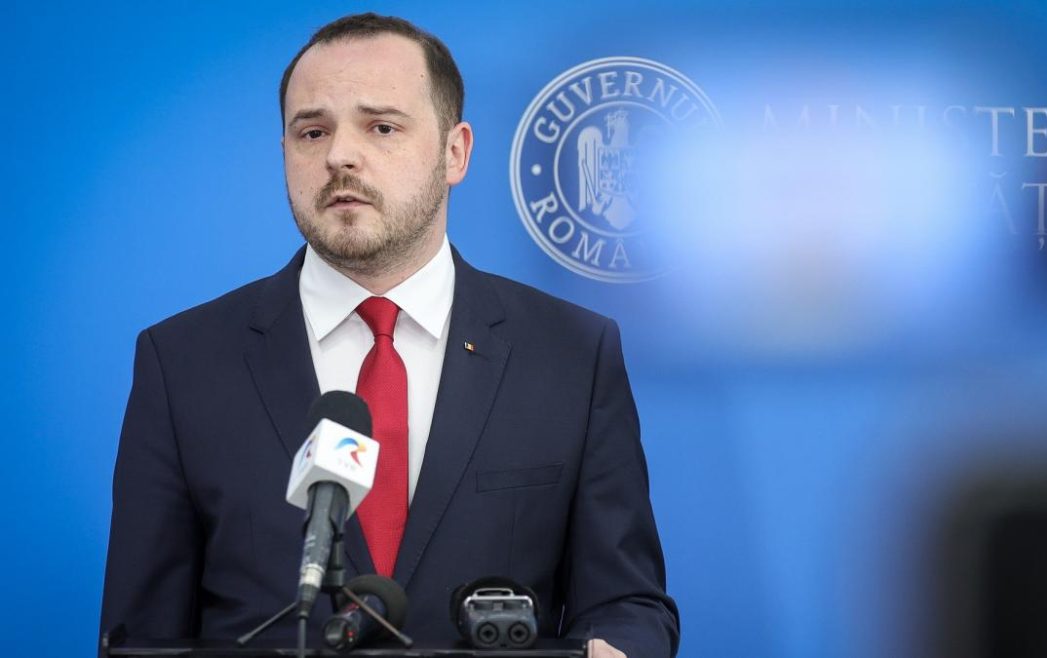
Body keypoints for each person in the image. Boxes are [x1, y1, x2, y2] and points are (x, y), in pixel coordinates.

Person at [99, 12, 679, 658]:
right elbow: (138, 636)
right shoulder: (182, 363)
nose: (339, 155)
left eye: (381, 127)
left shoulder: (572, 353)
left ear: (455, 152)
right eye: (312, 131)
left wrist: (616, 648)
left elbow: (627, 605)